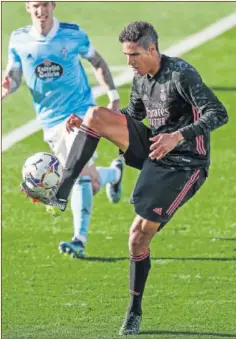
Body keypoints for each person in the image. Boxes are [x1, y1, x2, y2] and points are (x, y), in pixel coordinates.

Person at [21, 21, 228, 335]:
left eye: (133, 55)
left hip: (186, 163)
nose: (128, 62)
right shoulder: (141, 78)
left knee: (137, 236)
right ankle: (62, 191)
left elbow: (219, 112)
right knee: (94, 114)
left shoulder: (182, 75)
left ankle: (134, 310)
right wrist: (91, 126)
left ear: (152, 49)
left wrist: (178, 137)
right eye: (125, 55)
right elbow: (133, 114)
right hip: (154, 150)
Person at [2, 1, 124, 259]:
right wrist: (7, 86)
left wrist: (112, 95)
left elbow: (98, 61)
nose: (40, 11)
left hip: (79, 114)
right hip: (49, 121)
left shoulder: (73, 34)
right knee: (88, 181)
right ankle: (114, 174)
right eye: (35, 6)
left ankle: (79, 240)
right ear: (27, 8)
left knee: (76, 173)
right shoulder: (19, 40)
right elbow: (13, 75)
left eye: (45, 4)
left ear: (53, 5)